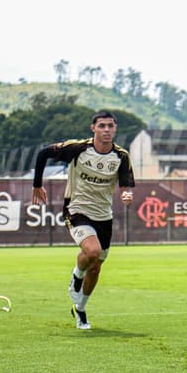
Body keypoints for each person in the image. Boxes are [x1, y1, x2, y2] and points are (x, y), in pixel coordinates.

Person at [32, 110, 135, 330]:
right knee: (92, 251)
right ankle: (76, 275)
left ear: (115, 129)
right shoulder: (78, 148)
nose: (106, 130)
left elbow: (126, 186)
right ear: (93, 128)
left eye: (110, 126)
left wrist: (127, 195)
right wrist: (37, 184)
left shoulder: (121, 156)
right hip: (77, 209)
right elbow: (43, 154)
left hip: (103, 215)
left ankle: (80, 309)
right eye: (102, 126)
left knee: (96, 268)